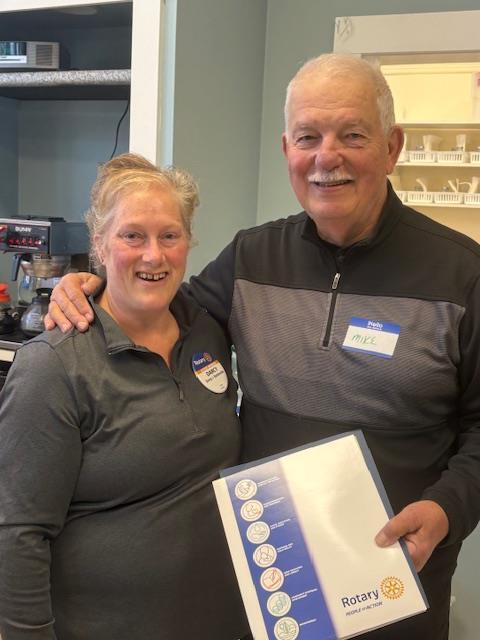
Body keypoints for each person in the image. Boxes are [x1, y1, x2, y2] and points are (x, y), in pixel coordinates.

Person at [45, 54, 480, 640]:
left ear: (391, 147)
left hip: (395, 591)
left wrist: (448, 509)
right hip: (272, 588)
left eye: (352, 135)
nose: (327, 157)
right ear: (286, 150)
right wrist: (92, 285)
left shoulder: (462, 275)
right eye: (308, 137)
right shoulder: (251, 259)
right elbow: (162, 312)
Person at [0, 153, 250, 640]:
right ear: (99, 243)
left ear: (188, 241)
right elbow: (17, 532)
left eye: (169, 236)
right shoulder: (54, 366)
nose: (153, 256)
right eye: (132, 236)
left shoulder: (206, 330)